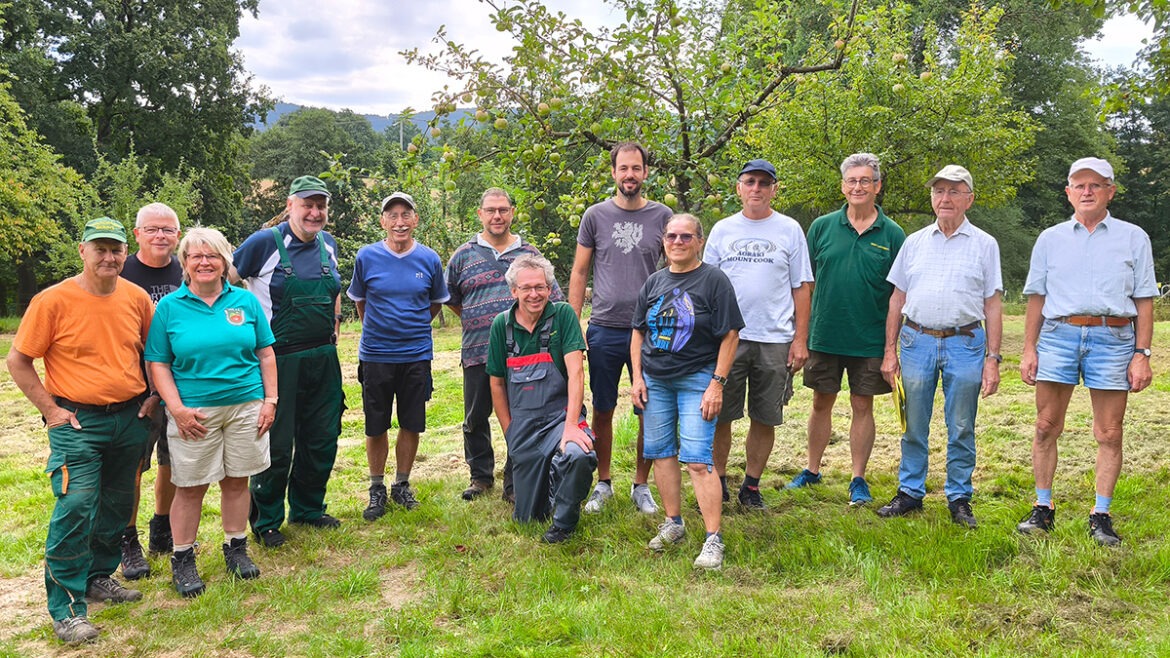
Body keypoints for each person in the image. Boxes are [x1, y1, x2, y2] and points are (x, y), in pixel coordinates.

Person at [7, 217, 154, 644]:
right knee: (76, 506)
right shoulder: (52, 301)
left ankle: (98, 576)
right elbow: (18, 360)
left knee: (117, 504)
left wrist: (151, 396)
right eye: (100, 249)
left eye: (116, 249)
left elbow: (153, 352)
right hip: (77, 421)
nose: (109, 257)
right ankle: (67, 608)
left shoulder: (137, 297)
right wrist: (50, 409)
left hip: (130, 417)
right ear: (82, 251)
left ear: (126, 253)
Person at [1017, 157, 1156, 546]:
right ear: (1068, 193)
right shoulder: (1050, 239)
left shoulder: (1133, 237)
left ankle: (1101, 514)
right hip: (1059, 336)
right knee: (1046, 426)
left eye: (1096, 185)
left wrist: (1141, 352)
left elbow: (1145, 299)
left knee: (1109, 432)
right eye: (1080, 185)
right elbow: (1036, 297)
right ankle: (1043, 508)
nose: (1087, 191)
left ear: (1111, 191)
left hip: (1113, 340)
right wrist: (1029, 348)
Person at [146, 228, 278, 597]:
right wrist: (177, 409)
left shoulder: (245, 301)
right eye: (195, 256)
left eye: (213, 255)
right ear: (185, 264)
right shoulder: (170, 307)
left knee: (237, 481)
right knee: (189, 487)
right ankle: (183, 558)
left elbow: (265, 353)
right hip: (195, 412)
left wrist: (270, 401)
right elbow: (158, 362)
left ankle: (236, 549)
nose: (204, 262)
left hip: (246, 405)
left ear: (224, 262)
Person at [879, 165, 1003, 528]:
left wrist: (993, 358)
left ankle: (959, 497)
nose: (945, 198)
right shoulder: (914, 242)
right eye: (939, 191)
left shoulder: (984, 244)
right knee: (913, 423)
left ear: (969, 198)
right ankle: (910, 492)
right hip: (916, 340)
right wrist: (890, 351)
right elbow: (896, 299)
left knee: (961, 424)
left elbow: (993, 303)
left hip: (966, 342)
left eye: (954, 191)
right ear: (932, 198)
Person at [234, 175, 346, 547]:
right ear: (290, 205)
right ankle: (266, 520)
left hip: (323, 357)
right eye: (307, 205)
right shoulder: (264, 243)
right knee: (277, 443)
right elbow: (226, 283)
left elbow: (334, 293)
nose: (315, 213)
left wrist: (335, 328)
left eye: (321, 206)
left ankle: (309, 509)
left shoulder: (327, 244)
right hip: (278, 360)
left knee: (322, 437)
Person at [631, 215, 743, 570]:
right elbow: (637, 332)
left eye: (686, 236)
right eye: (672, 236)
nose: (678, 242)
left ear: (699, 241)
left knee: (697, 459)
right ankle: (673, 523)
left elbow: (730, 336)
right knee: (661, 454)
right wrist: (637, 377)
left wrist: (717, 383)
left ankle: (713, 539)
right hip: (656, 380)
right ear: (663, 241)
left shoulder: (714, 280)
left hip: (698, 378)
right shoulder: (653, 282)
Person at [703, 158, 813, 509]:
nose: (756, 189)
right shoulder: (722, 230)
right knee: (720, 414)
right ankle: (718, 480)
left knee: (765, 416)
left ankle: (750, 486)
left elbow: (802, 286)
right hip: (727, 339)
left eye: (764, 183)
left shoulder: (790, 229)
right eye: (749, 182)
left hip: (775, 338)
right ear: (738, 188)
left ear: (774, 189)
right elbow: (706, 286)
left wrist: (799, 339)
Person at [569, 141, 671, 515]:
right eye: (623, 168)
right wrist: (573, 322)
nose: (630, 175)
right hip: (605, 328)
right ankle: (604, 482)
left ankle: (641, 485)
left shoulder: (663, 216)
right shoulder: (595, 216)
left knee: (650, 408)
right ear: (613, 173)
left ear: (646, 173)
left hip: (649, 330)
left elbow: (677, 268)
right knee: (604, 408)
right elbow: (579, 271)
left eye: (636, 168)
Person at [798, 154, 905, 506]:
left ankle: (858, 478)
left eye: (865, 181)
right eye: (851, 181)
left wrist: (891, 347)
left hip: (870, 338)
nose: (857, 187)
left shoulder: (892, 234)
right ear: (843, 187)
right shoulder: (821, 228)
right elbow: (807, 283)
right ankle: (812, 470)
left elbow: (897, 294)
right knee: (820, 402)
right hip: (825, 334)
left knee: (863, 406)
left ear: (877, 186)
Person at [445, 188, 563, 503]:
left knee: (523, 416)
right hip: (478, 349)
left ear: (512, 212)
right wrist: (479, 318)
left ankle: (516, 478)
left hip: (524, 357)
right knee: (475, 416)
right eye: (490, 210)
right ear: (480, 214)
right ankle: (480, 476)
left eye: (503, 210)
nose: (497, 216)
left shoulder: (530, 254)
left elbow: (552, 294)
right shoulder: (462, 255)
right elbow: (453, 299)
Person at [348, 192, 449, 519]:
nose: (400, 222)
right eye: (392, 215)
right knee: (375, 425)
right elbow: (360, 300)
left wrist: (413, 326)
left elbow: (435, 303)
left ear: (416, 220)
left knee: (411, 422)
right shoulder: (367, 257)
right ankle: (376, 488)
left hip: (416, 354)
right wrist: (379, 329)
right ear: (383, 221)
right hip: (376, 354)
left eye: (406, 214)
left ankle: (401, 485)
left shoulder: (430, 260)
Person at [488, 254, 598, 542]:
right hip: (523, 426)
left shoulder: (563, 316)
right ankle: (551, 484)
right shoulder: (502, 325)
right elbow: (496, 384)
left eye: (540, 287)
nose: (534, 294)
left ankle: (564, 522)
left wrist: (572, 425)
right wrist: (509, 431)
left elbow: (576, 374)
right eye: (526, 288)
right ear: (514, 291)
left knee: (579, 455)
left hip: (561, 417)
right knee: (528, 517)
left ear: (550, 289)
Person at [118, 202, 183, 581]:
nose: (161, 236)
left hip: (181, 383)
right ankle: (128, 540)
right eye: (152, 229)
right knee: (133, 467)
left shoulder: (187, 269)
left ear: (178, 234)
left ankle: (162, 527)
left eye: (168, 229)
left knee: (173, 462)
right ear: (137, 234)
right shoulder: (121, 271)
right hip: (136, 389)